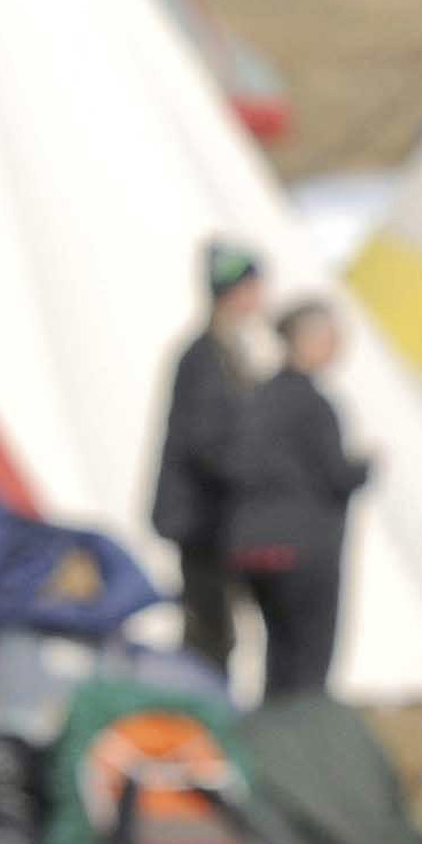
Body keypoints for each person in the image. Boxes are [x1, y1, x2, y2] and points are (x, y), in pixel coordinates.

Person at [226, 299, 371, 699]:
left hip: (254, 549)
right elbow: (335, 473)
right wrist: (364, 469)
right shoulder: (313, 403)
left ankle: (272, 746)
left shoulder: (256, 395)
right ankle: (300, 750)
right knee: (308, 664)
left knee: (277, 656)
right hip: (305, 550)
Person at [149, 240, 262, 673]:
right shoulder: (206, 357)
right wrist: (248, 472)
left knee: (215, 629)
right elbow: (206, 440)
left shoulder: (226, 350)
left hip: (211, 517)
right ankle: (196, 719)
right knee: (209, 632)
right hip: (201, 519)